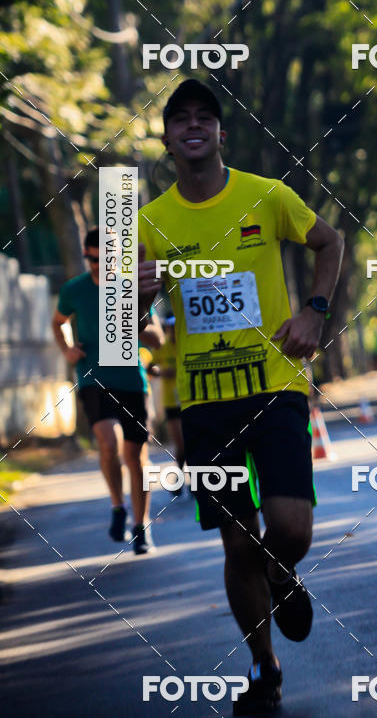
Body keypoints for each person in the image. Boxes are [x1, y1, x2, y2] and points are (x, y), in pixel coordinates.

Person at [137, 79, 344, 714]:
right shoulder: (147, 223)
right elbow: (122, 324)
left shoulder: (266, 195)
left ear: (221, 133)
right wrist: (133, 296)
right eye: (180, 118)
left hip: (275, 386)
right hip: (203, 403)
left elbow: (330, 242)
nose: (193, 125)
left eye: (206, 117)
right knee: (235, 543)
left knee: (290, 527)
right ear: (168, 138)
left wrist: (314, 312)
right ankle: (264, 668)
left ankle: (282, 574)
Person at [52, 227, 163, 554]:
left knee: (136, 457)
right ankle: (118, 506)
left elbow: (158, 337)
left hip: (131, 380)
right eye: (91, 259)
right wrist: (67, 349)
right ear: (86, 257)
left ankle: (141, 527)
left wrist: (136, 323)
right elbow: (57, 321)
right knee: (108, 440)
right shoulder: (74, 290)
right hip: (92, 377)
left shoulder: (131, 289)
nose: (98, 265)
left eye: (105, 259)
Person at [150, 314, 185, 495]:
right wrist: (161, 372)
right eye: (170, 328)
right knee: (181, 444)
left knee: (190, 443)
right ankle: (179, 481)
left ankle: (192, 482)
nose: (172, 331)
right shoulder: (162, 348)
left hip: (191, 400)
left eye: (175, 327)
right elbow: (151, 367)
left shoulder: (188, 344)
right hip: (172, 402)